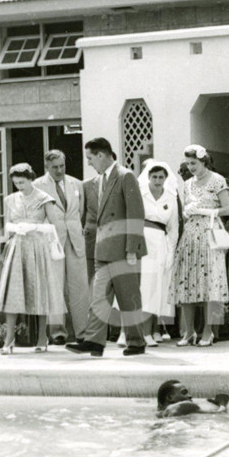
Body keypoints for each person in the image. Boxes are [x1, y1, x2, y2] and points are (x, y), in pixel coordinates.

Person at [67, 137, 148, 357]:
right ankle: (94, 341)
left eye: (90, 158)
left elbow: (136, 213)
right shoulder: (97, 181)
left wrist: (131, 249)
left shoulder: (125, 176)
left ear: (101, 155)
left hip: (123, 249)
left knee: (128, 298)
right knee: (98, 297)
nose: (89, 163)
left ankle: (136, 342)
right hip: (103, 249)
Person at [0, 162, 64, 354]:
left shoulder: (44, 198)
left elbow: (54, 226)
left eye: (22, 182)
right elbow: (7, 224)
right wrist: (14, 228)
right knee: (13, 293)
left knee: (39, 292)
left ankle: (42, 337)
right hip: (17, 248)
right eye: (16, 183)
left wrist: (34, 227)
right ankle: (9, 339)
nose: (20, 186)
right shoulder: (11, 199)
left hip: (37, 248)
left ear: (31, 179)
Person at [169, 144, 229, 346]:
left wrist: (206, 211)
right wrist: (187, 211)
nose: (190, 167)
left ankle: (208, 331)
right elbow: (186, 208)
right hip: (190, 236)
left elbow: (228, 209)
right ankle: (189, 332)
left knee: (210, 284)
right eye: (188, 164)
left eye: (193, 163)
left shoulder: (217, 180)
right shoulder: (187, 184)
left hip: (209, 234)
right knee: (187, 283)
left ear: (204, 161)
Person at [35, 149, 89, 345]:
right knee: (55, 285)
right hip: (53, 241)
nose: (59, 170)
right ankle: (57, 332)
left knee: (80, 286)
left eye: (62, 166)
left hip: (75, 240)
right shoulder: (37, 186)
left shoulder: (77, 184)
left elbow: (80, 212)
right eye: (54, 167)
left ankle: (83, 332)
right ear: (46, 167)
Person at [135, 159, 180, 346]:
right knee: (144, 287)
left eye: (161, 177)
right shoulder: (141, 194)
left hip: (160, 243)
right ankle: (142, 332)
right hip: (142, 241)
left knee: (156, 287)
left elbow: (173, 228)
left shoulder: (170, 197)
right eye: (154, 176)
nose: (157, 180)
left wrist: (171, 252)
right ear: (148, 177)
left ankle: (153, 330)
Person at [155, 380, 229, 417]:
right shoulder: (183, 406)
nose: (190, 396)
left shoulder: (159, 414)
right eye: (184, 392)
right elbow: (220, 413)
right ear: (170, 397)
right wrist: (222, 403)